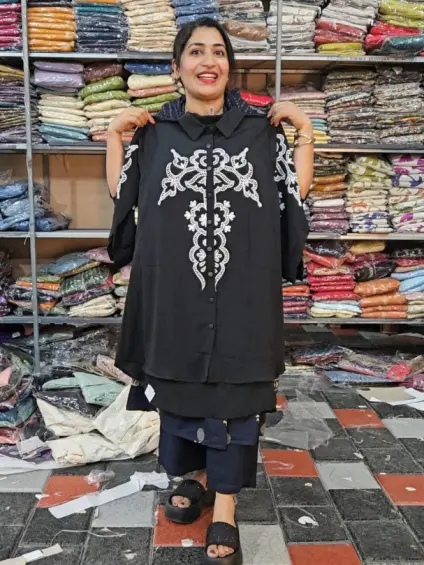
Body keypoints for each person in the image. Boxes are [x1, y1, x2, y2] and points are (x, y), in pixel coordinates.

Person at [107, 17, 313, 565]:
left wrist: (305, 134)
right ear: (177, 68)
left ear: (228, 66)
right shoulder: (156, 132)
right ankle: (193, 477)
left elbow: (291, 198)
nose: (208, 61)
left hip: (242, 294)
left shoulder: (259, 130)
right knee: (178, 387)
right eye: (195, 52)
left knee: (236, 395)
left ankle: (225, 507)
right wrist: (116, 137)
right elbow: (125, 198)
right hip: (176, 294)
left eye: (218, 52)